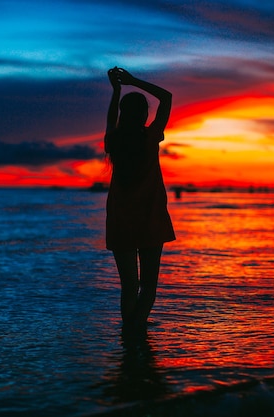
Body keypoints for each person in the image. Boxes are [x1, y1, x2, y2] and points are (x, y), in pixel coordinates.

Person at [104, 67, 175, 334]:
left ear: (123, 114)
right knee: (148, 286)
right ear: (144, 114)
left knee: (129, 287)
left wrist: (117, 90)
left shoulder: (114, 140)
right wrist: (133, 81)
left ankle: (129, 338)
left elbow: (111, 120)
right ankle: (136, 334)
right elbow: (166, 97)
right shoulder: (149, 137)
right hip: (150, 217)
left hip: (121, 219)